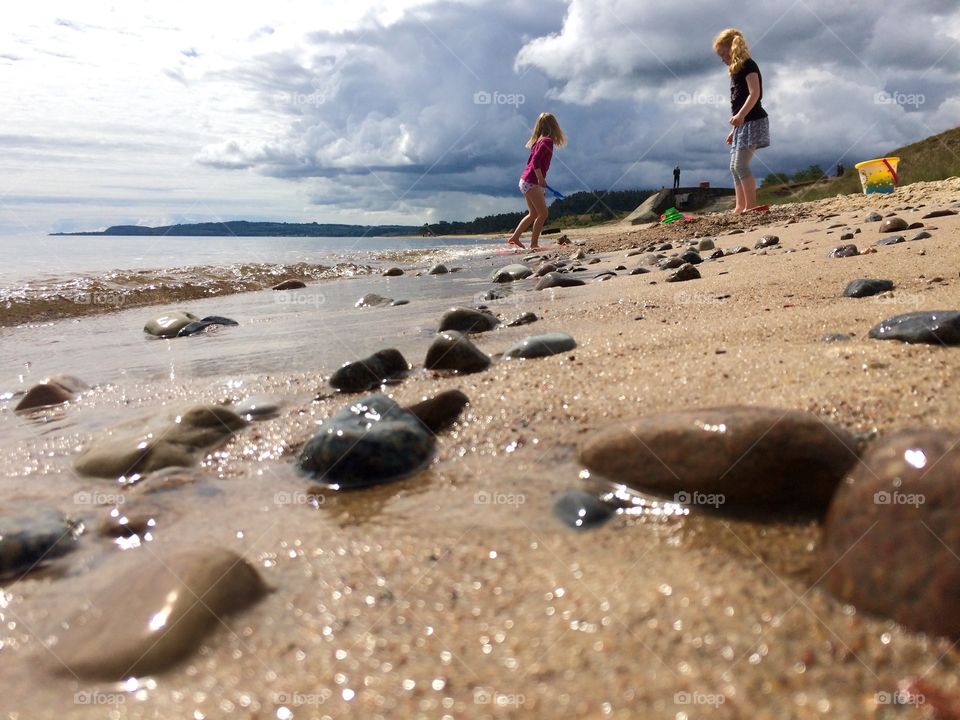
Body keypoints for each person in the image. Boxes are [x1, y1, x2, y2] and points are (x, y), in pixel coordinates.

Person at [713, 28, 770, 213]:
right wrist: (734, 129)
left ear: (732, 48)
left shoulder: (748, 65)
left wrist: (741, 116)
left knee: (741, 165)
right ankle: (740, 206)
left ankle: (751, 206)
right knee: (734, 167)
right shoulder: (736, 70)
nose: (722, 59)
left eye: (723, 54)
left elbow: (755, 93)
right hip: (743, 124)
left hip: (753, 121)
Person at [505, 112, 567, 250]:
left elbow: (533, 162)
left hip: (525, 180)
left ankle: (514, 238)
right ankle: (533, 244)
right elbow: (535, 161)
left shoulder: (538, 141)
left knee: (533, 214)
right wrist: (540, 178)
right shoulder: (547, 141)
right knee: (543, 213)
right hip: (531, 181)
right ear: (554, 126)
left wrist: (540, 182)